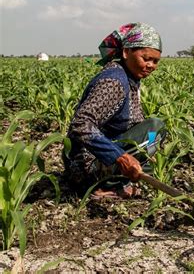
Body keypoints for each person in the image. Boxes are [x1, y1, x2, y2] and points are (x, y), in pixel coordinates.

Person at [63, 22, 166, 198]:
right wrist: (120, 157)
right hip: (86, 166)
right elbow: (81, 124)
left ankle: (136, 175)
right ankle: (109, 185)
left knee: (154, 134)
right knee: (155, 128)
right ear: (126, 52)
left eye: (155, 61)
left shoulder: (129, 76)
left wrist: (149, 152)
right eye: (146, 58)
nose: (151, 65)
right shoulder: (114, 81)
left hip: (101, 155)